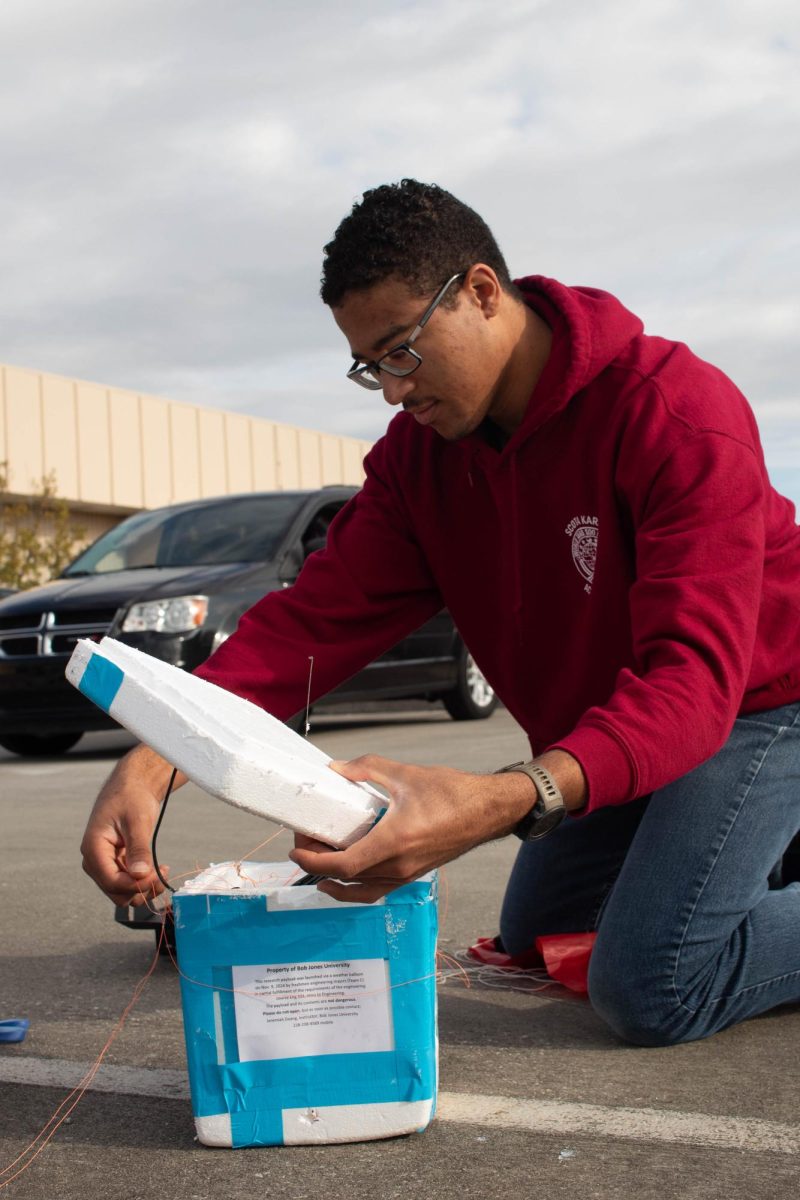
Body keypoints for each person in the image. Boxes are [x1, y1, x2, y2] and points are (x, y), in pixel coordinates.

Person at [81, 179, 800, 1047]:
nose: (389, 390)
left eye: (401, 352)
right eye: (368, 366)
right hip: (626, 719)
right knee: (537, 940)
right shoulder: (418, 464)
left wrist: (507, 796)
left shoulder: (675, 412)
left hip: (763, 706)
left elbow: (694, 685)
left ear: (483, 292)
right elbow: (309, 622)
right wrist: (161, 750)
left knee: (653, 981)